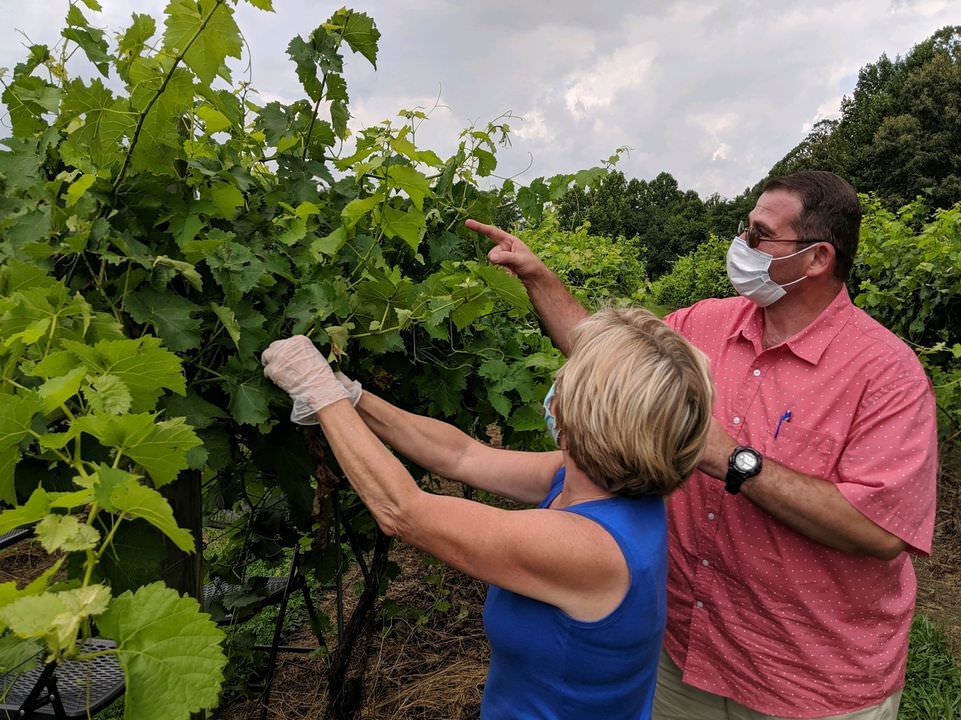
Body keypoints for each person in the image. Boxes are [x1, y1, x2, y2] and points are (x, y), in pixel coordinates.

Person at [466, 170, 938, 720]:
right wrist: (539, 279)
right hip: (683, 651)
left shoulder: (885, 374)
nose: (743, 244)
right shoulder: (705, 323)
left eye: (761, 235)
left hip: (808, 682)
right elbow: (609, 360)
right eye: (746, 227)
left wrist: (732, 458)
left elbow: (882, 531)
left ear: (816, 259)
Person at [262, 308, 715, 720]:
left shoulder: (588, 548)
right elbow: (461, 456)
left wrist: (321, 394)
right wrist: (355, 397)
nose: (557, 382)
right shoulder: (596, 480)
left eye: (568, 375)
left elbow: (403, 510)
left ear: (590, 414)